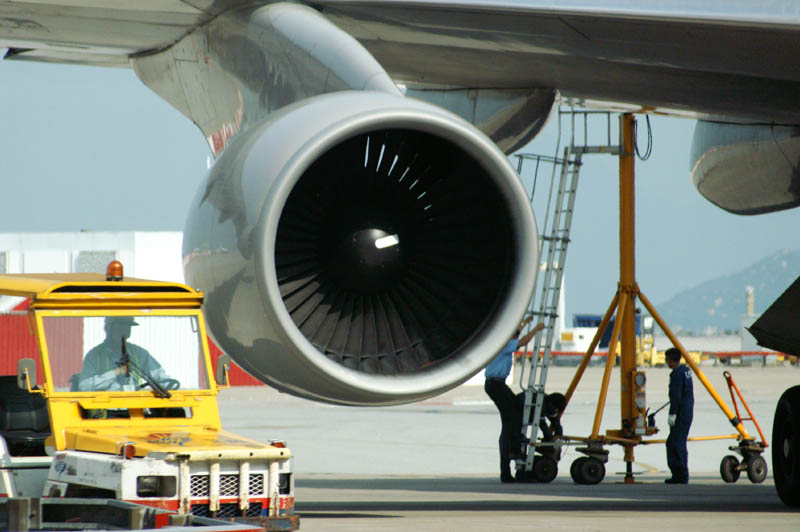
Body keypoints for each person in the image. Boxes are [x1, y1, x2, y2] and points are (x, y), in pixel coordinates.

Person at [484, 317, 544, 483]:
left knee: (513, 414)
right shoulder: (504, 344)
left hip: (496, 384)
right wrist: (536, 329)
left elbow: (515, 334)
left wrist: (525, 322)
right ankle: (515, 447)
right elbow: (522, 341)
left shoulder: (502, 341)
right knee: (513, 417)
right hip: (496, 385)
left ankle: (510, 458)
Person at [77, 316, 171, 392]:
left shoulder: (139, 353)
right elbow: (85, 386)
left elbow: (161, 378)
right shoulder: (94, 356)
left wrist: (170, 386)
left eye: (127, 327)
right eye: (120, 327)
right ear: (108, 328)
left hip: (136, 405)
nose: (124, 331)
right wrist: (117, 372)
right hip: (106, 407)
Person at [664, 347, 694, 484]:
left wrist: (673, 414)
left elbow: (676, 396)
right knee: (673, 443)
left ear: (671, 359)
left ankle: (681, 475)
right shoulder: (685, 370)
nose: (666, 362)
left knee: (676, 444)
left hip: (681, 413)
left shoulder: (677, 374)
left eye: (667, 359)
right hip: (687, 411)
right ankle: (679, 474)